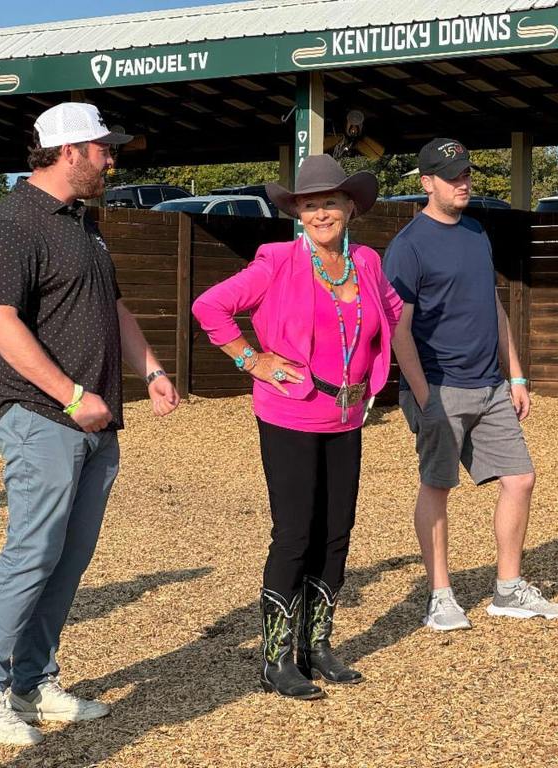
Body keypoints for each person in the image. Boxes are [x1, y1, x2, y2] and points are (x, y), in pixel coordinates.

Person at [0, 102, 180, 746]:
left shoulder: (82, 222)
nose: (113, 159)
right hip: (41, 414)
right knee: (31, 554)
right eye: (105, 148)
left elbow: (113, 308)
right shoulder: (12, 221)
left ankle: (31, 682)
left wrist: (153, 371)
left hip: (96, 420)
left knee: (68, 558)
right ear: (71, 150)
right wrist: (71, 393)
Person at [192, 155, 402, 700]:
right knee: (294, 532)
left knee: (337, 529)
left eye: (330, 202)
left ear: (350, 207)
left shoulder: (368, 263)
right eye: (310, 205)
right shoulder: (277, 261)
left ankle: (317, 644)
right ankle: (277, 658)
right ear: (297, 213)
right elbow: (209, 306)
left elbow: (395, 313)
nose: (320, 213)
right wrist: (250, 359)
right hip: (290, 411)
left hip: (347, 414)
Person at [385, 137, 558, 632]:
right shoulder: (408, 246)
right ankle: (440, 596)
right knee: (438, 485)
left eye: (466, 173)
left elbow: (493, 305)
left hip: (490, 385)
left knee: (520, 479)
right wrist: (425, 399)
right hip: (439, 387)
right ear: (427, 183)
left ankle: (508, 589)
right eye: (452, 176)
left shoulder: (476, 233)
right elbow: (398, 329)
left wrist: (515, 373)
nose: (463, 182)